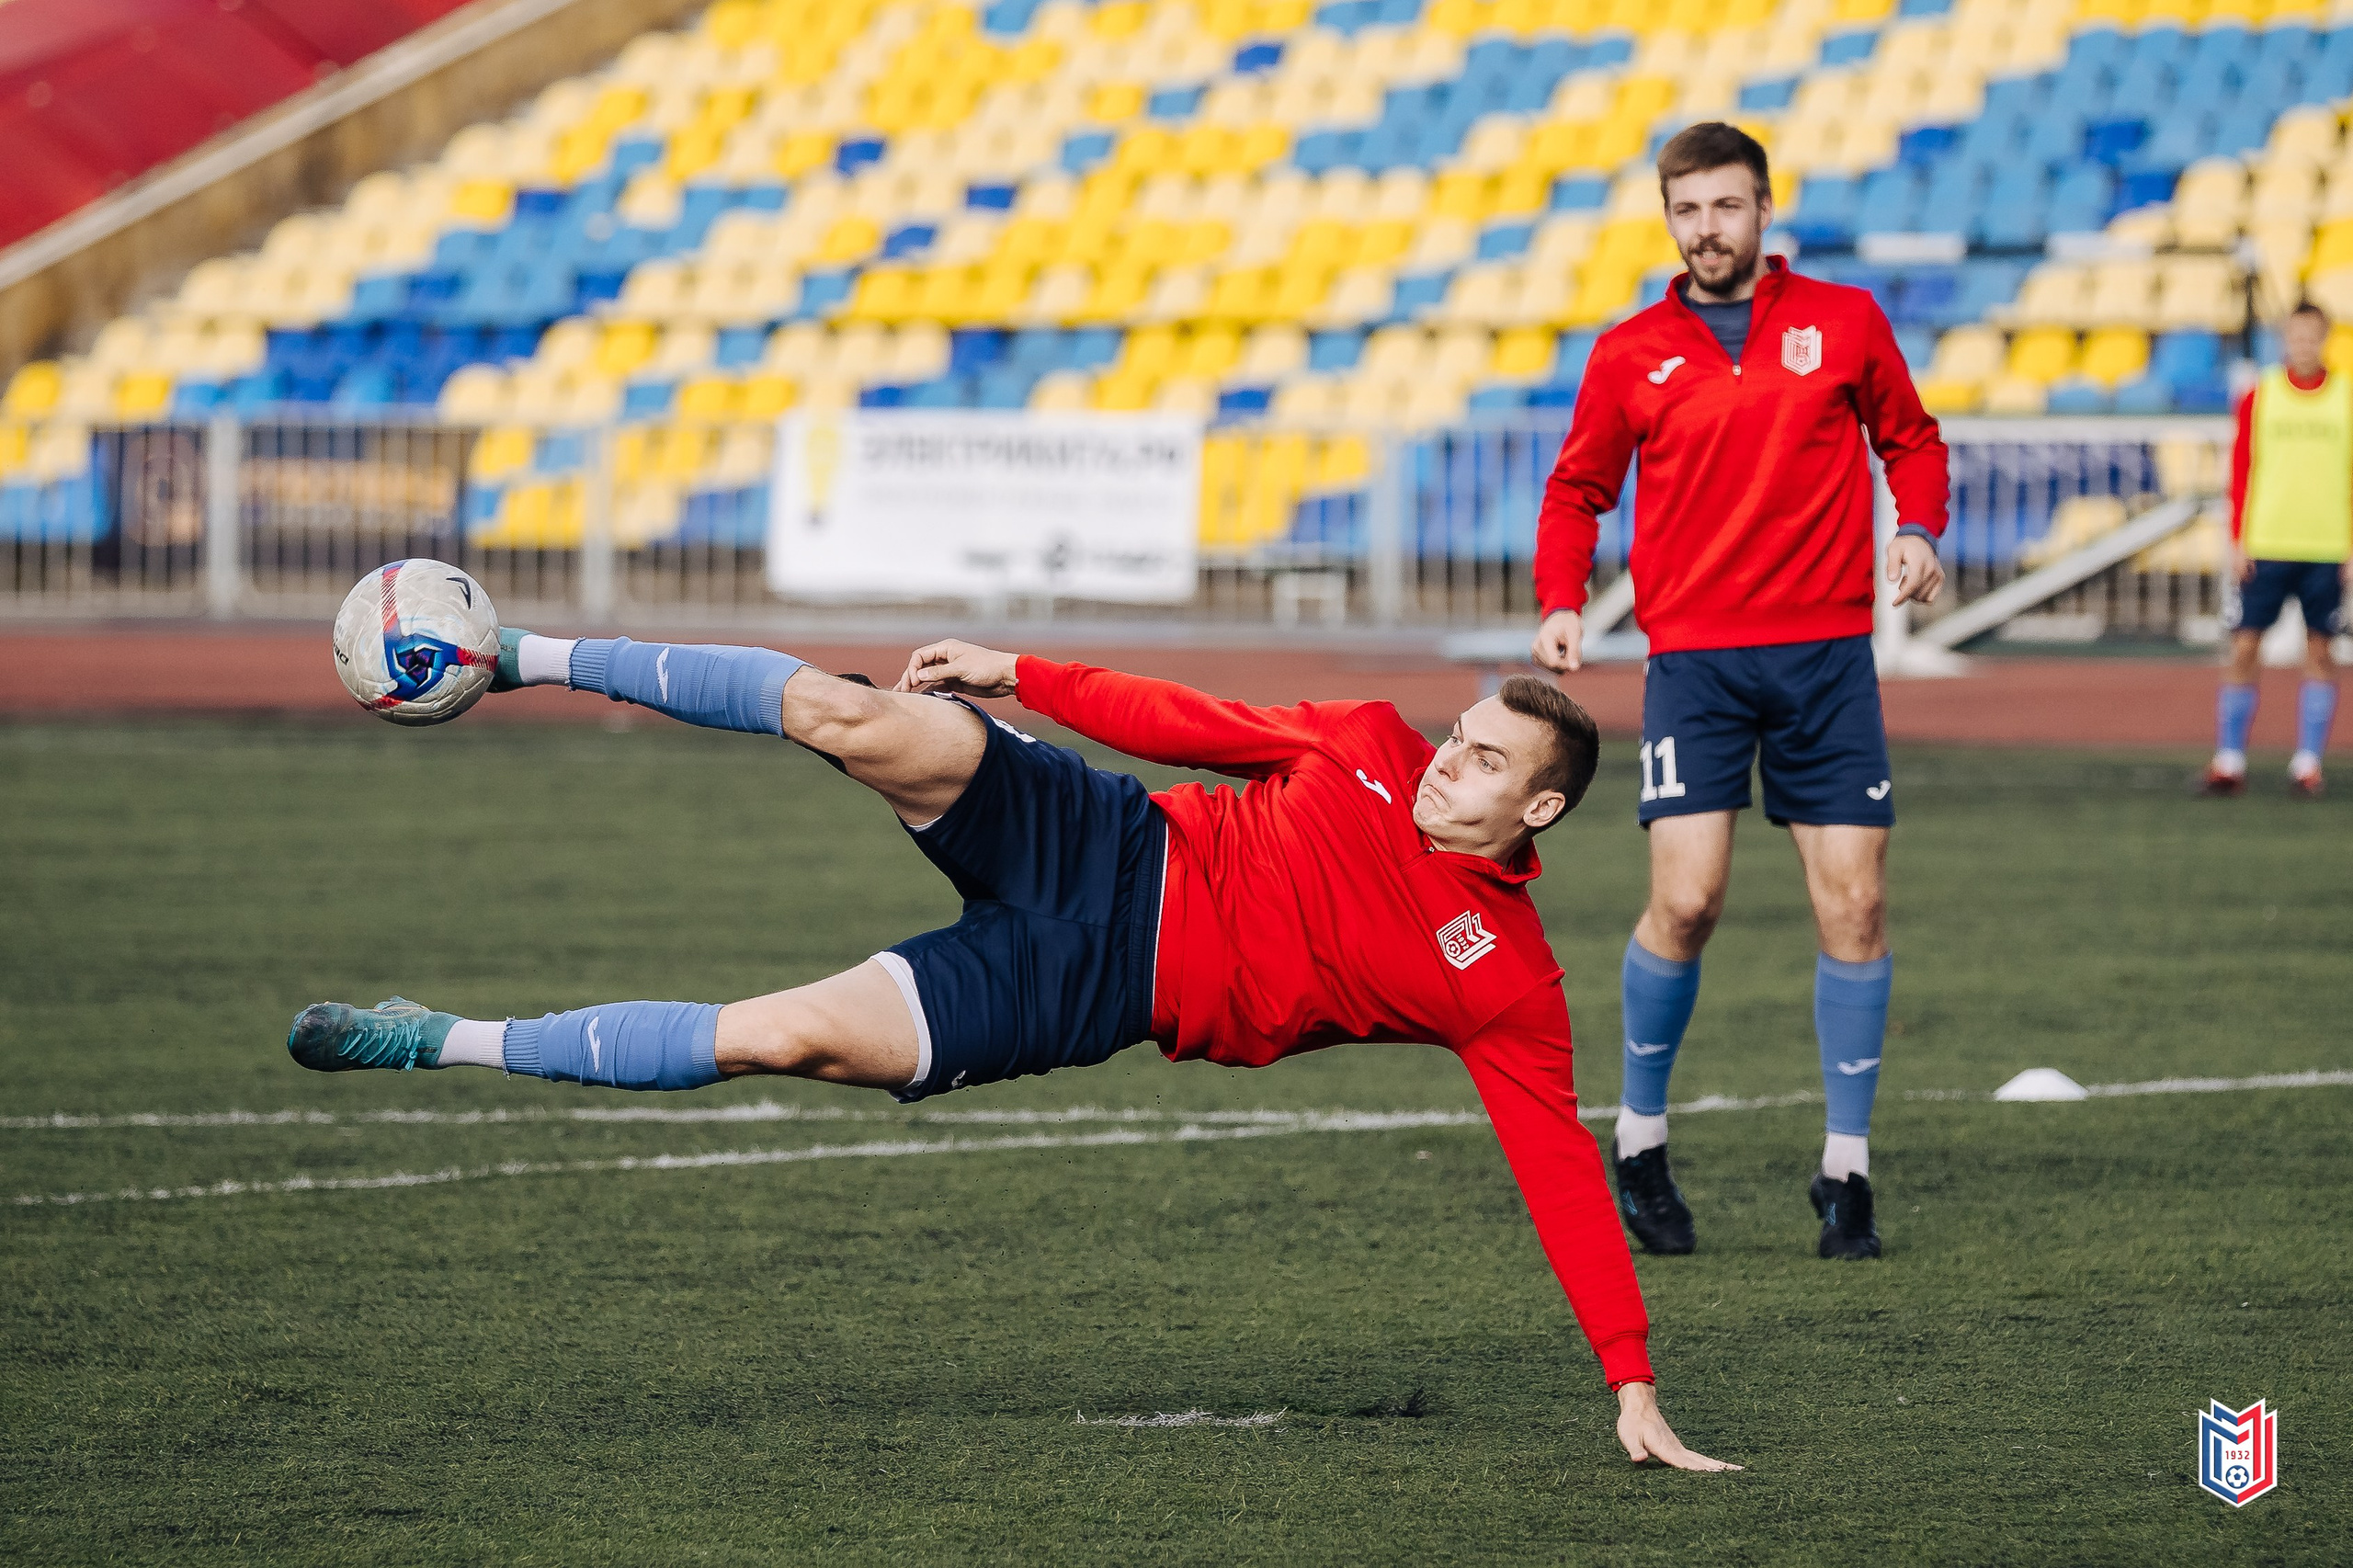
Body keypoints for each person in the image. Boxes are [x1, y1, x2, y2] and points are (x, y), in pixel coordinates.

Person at [287, 629, 1738, 1471]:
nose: (1445, 758)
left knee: (781, 1036)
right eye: (1458, 734)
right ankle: (514, 652)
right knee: (850, 713)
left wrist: (1631, 1379)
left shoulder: (1506, 982)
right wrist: (1020, 673)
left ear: (1539, 812)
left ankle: (438, 1040)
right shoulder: (1356, 741)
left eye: (1486, 760)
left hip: (1082, 983)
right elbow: (1184, 721)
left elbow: (1555, 1161)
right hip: (1093, 832)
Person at [1528, 122, 1949, 1262]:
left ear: (1764, 211)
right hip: (1696, 667)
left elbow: (1911, 440)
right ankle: (1641, 1140)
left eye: (1725, 206)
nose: (1705, 228)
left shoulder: (1845, 322)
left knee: (1854, 906)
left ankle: (1845, 1171)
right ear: (1668, 220)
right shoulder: (1628, 352)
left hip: (1825, 663)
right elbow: (1576, 490)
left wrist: (1917, 527)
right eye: (1686, 211)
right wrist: (1562, 596)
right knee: (1688, 902)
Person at [2201, 301, 2348, 799]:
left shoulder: (2347, 396)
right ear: (2285, 340)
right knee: (2244, 646)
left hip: (2327, 545)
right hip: (2267, 542)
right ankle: (2229, 759)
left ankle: (2307, 762)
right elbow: (2241, 470)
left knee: (2321, 651)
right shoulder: (2260, 395)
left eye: (2313, 336)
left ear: (2324, 339)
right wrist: (2238, 539)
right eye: (2296, 336)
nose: (2304, 345)